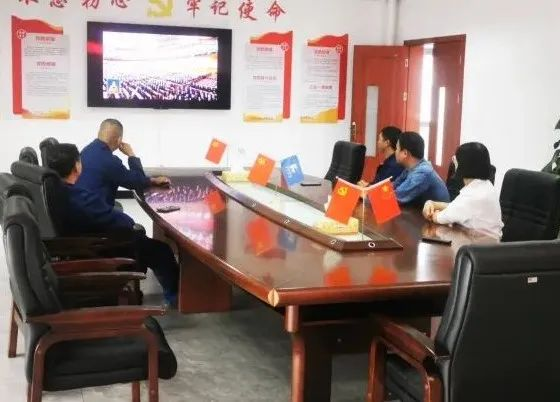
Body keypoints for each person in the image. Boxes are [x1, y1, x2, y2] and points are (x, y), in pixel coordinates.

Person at [47, 143, 179, 306]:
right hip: (103, 247)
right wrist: (132, 226)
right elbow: (124, 223)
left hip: (83, 241)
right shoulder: (80, 198)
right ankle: (175, 297)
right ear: (76, 167)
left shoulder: (57, 190)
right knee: (162, 251)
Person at [76, 118, 170, 207]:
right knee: (128, 218)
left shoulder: (86, 150)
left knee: (118, 207)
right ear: (119, 140)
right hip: (95, 212)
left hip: (79, 206)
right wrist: (131, 155)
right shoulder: (110, 161)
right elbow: (137, 182)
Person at [422, 142, 504, 239]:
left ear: (463, 165)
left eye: (455, 159)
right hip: (483, 242)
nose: (454, 161)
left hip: (478, 246)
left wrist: (430, 212)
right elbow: (455, 207)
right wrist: (433, 203)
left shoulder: (472, 196)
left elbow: (438, 218)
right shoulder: (485, 186)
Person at [393, 132, 449, 206]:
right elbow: (394, 185)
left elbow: (396, 197)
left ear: (405, 153)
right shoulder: (412, 167)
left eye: (397, 148)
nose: (395, 152)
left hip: (435, 213)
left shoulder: (423, 172)